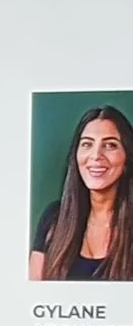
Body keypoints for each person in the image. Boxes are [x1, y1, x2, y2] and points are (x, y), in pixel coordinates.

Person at [30, 103, 133, 281]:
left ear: (127, 159)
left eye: (110, 145)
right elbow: (32, 293)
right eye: (87, 144)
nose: (96, 155)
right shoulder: (54, 217)